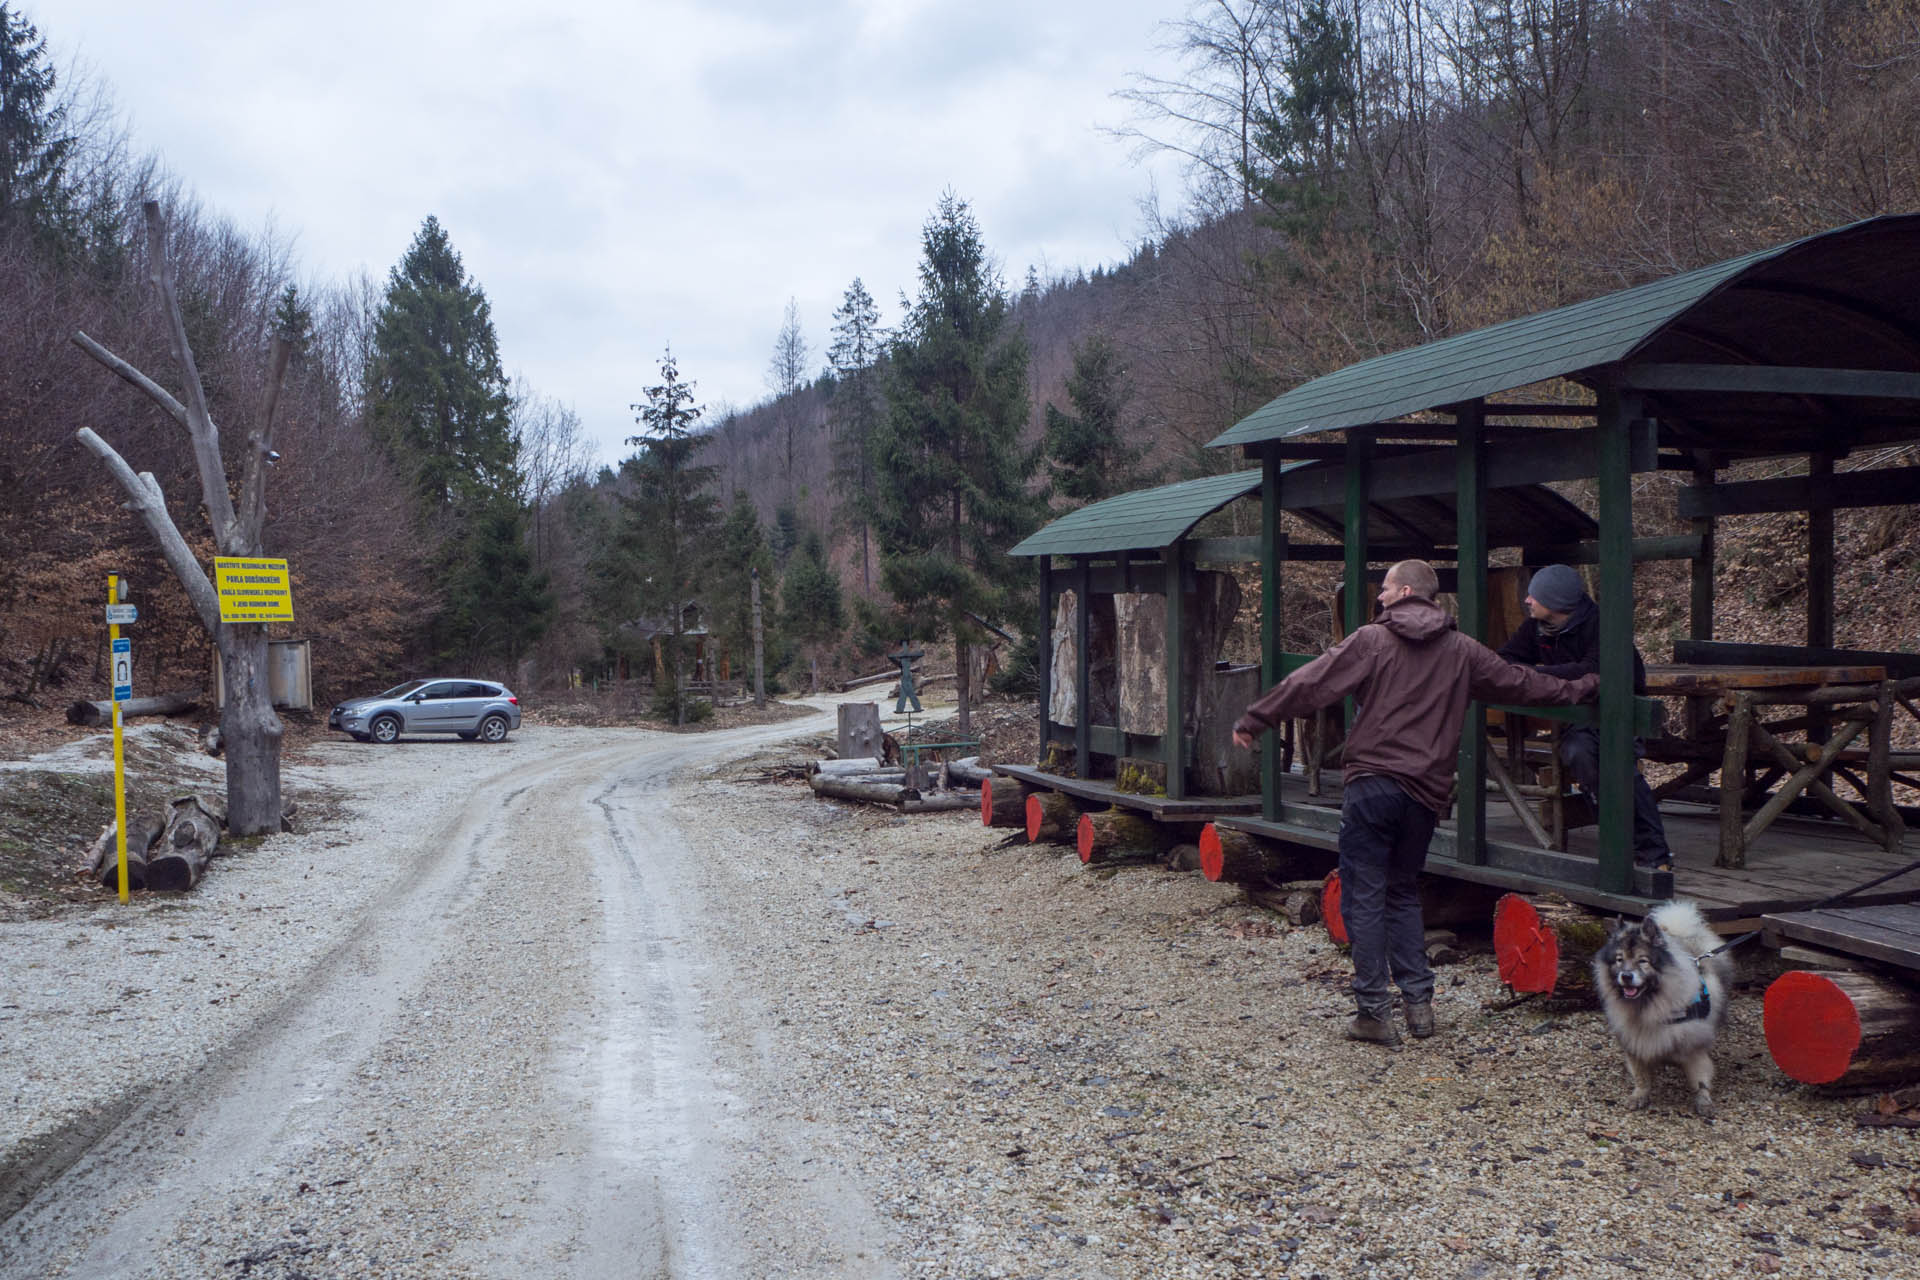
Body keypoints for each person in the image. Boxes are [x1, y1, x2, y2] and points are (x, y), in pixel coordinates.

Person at [1231, 560, 1600, 1046]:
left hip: (1372, 786)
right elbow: (1527, 685)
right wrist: (1589, 683)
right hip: (1425, 794)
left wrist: (1256, 718)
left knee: (1364, 894)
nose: (1379, 597)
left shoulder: (1371, 640)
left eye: (1385, 589)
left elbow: (1310, 683)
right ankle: (1419, 1007)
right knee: (1402, 892)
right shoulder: (1464, 650)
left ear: (1406, 591)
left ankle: (1372, 1012)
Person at [1496, 564, 1672, 872]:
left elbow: (1592, 670)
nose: (1527, 600)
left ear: (1556, 602)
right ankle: (1618, 839)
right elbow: (1506, 658)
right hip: (1577, 719)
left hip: (1618, 715)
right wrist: (1543, 675)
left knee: (1620, 769)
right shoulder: (1534, 627)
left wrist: (1537, 674)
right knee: (1580, 755)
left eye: (1534, 595)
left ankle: (1655, 854)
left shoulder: (1602, 625)